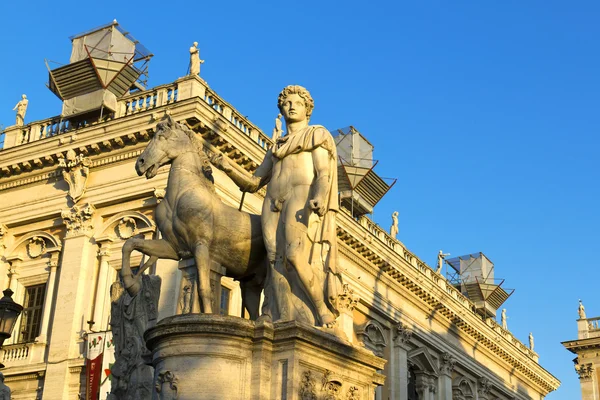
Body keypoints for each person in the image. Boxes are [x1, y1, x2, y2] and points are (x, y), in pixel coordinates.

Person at [212, 85, 340, 327]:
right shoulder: (276, 148)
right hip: (271, 203)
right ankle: (275, 311)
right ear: (281, 108)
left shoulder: (316, 135)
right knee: (273, 262)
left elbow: (323, 173)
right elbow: (253, 183)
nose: (291, 106)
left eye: (298, 103)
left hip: (299, 198)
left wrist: (321, 196)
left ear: (307, 110)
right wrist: (227, 167)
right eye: (287, 103)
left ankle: (322, 310)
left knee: (293, 254)